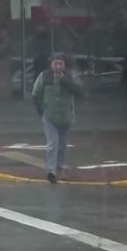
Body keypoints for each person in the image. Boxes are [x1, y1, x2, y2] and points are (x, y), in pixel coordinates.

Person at [32, 52, 83, 184]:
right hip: (49, 116)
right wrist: (42, 111)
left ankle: (59, 169)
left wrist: (65, 80)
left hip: (66, 116)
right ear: (51, 64)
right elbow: (35, 94)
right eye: (55, 63)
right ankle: (51, 171)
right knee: (52, 143)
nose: (58, 66)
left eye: (60, 63)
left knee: (62, 145)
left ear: (64, 65)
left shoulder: (71, 75)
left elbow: (79, 91)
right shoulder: (44, 76)